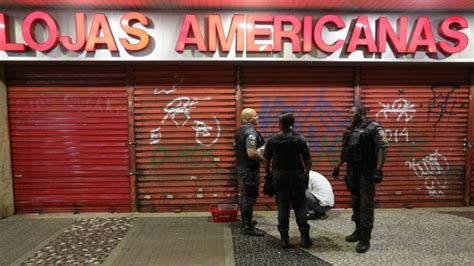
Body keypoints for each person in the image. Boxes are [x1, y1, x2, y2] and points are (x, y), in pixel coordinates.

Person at [332, 104, 388, 253]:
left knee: (366, 206)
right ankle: (358, 231)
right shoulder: (350, 130)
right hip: (352, 171)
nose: (350, 115)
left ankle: (365, 239)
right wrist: (338, 166)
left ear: (362, 113)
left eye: (352, 113)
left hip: (367, 172)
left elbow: (383, 146)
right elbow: (346, 151)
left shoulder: (373, 127)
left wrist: (379, 169)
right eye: (349, 113)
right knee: (356, 203)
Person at [264, 112, 312, 249]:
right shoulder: (300, 139)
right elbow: (308, 160)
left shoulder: (272, 140)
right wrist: (306, 172)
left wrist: (268, 175)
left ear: (280, 124)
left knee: (283, 207)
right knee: (300, 207)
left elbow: (267, 160)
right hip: (296, 175)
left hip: (279, 176)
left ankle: (284, 239)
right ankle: (305, 238)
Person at [234, 108, 265, 236]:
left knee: (244, 195)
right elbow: (251, 152)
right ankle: (248, 227)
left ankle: (246, 221)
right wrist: (263, 160)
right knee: (249, 197)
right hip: (249, 169)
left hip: (242, 168)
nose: (258, 118)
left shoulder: (239, 131)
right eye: (255, 116)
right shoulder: (250, 132)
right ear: (248, 119)